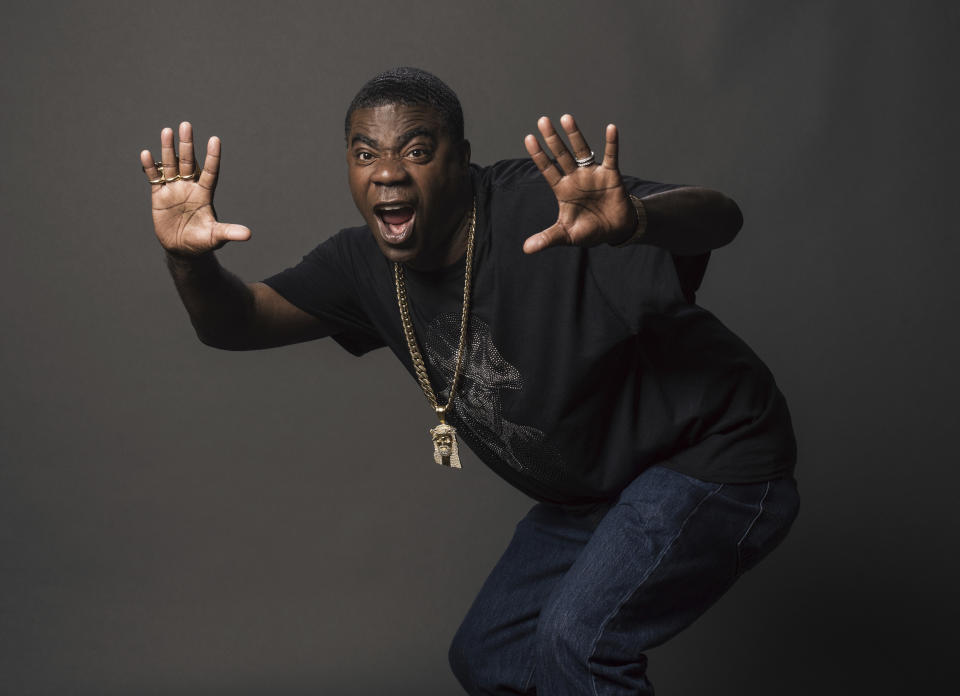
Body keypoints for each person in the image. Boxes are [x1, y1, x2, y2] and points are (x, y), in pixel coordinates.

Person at [140, 67, 799, 695]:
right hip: (601, 485)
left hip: (714, 459)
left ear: (462, 160)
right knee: (491, 653)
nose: (389, 172)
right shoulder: (361, 265)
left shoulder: (543, 212)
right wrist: (186, 263)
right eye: (365, 154)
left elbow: (722, 219)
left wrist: (640, 223)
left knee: (580, 640)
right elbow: (235, 323)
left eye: (418, 151)